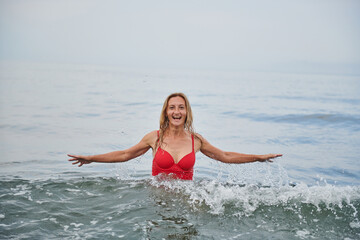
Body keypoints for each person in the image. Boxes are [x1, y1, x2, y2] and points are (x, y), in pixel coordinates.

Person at [68, 92, 282, 180]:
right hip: (158, 198)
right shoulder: (155, 138)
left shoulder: (196, 140)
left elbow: (224, 156)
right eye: (172, 108)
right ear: (166, 112)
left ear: (187, 112)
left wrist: (258, 157)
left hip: (187, 199)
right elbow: (125, 154)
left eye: (181, 107)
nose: (177, 111)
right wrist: (91, 158)